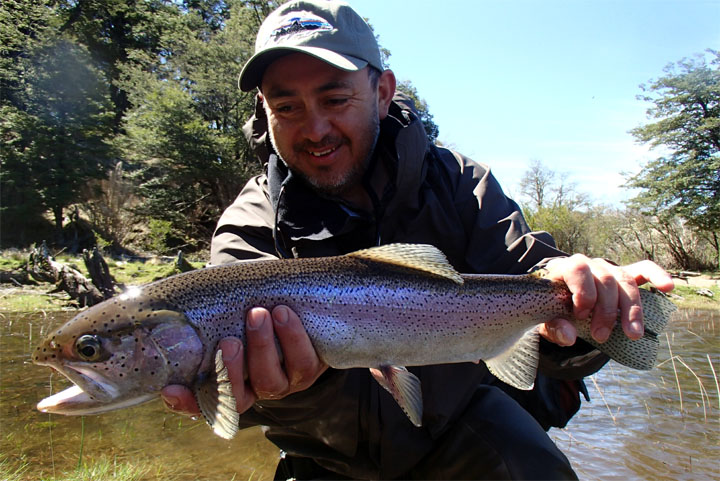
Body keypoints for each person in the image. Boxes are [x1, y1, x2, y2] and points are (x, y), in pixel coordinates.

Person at [161, 1, 675, 479]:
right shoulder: (249, 224)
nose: (315, 128)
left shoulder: (458, 185)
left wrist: (599, 299)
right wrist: (290, 391)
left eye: (335, 99)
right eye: (287, 107)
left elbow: (541, 278)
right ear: (263, 109)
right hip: (327, 454)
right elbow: (241, 401)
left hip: (465, 430)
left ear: (382, 92)